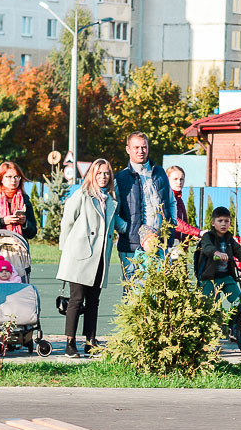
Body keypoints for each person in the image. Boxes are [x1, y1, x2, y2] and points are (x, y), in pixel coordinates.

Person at [57, 158, 127, 358]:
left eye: (106, 173)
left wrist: (130, 229)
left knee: (94, 301)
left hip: (100, 258)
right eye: (99, 173)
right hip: (79, 255)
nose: (103, 177)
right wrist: (67, 250)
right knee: (76, 300)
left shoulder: (111, 200)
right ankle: (70, 343)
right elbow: (67, 222)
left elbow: (115, 223)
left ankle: (90, 341)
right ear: (91, 175)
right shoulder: (82, 195)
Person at [115, 132, 174, 278]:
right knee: (133, 291)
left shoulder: (160, 173)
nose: (140, 151)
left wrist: (170, 224)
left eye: (144, 147)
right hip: (132, 245)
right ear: (128, 149)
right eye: (136, 147)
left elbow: (171, 202)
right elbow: (113, 212)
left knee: (161, 290)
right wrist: (126, 229)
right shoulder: (120, 178)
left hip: (161, 243)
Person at [196, 206, 241, 310]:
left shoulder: (229, 240)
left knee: (239, 301)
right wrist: (217, 253)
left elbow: (240, 253)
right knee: (213, 307)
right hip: (209, 278)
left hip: (226, 277)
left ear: (230, 224)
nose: (223, 224)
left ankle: (236, 323)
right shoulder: (207, 236)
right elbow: (207, 248)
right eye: (220, 221)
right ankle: (219, 323)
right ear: (213, 223)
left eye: (226, 221)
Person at [0, 161, 38, 239]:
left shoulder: (25, 200)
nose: (13, 180)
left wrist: (24, 223)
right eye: (9, 177)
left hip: (18, 247)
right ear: (1, 179)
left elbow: (32, 233)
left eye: (16, 177)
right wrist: (2, 221)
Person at [165, 165, 201, 241]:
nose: (179, 182)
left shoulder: (179, 199)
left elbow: (184, 226)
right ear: (167, 179)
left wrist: (193, 236)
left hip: (180, 246)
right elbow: (174, 222)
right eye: (175, 179)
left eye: (181, 179)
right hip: (168, 245)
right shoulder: (165, 198)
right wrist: (197, 232)